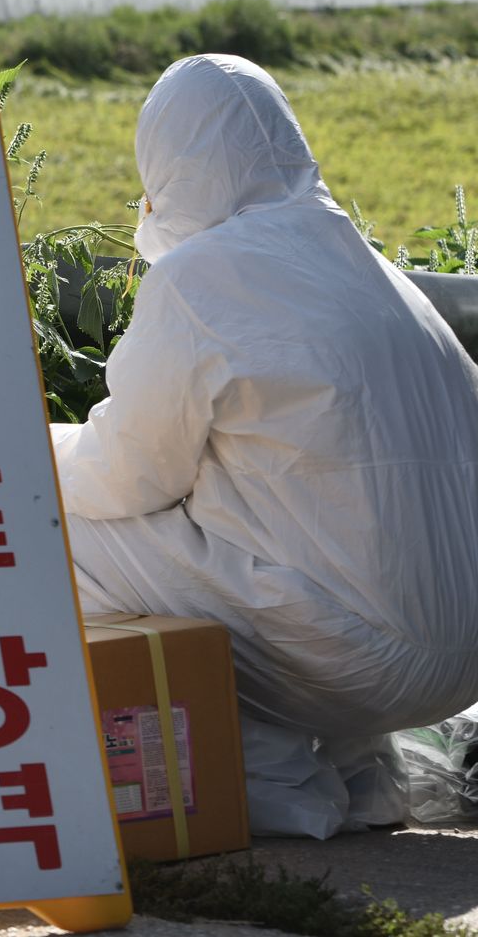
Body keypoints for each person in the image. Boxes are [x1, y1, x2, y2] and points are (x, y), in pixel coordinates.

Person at [51, 53, 478, 837]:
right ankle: (365, 773)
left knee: (45, 528)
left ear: (169, 165)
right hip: (463, 657)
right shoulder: (384, 279)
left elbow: (125, 478)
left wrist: (35, 453)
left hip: (359, 658)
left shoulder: (205, 278)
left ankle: (267, 772)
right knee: (299, 523)